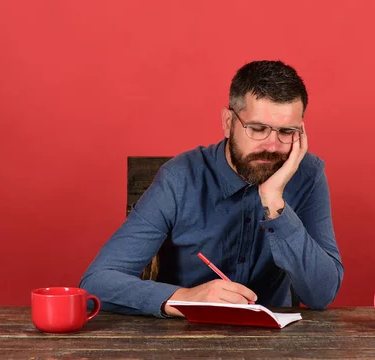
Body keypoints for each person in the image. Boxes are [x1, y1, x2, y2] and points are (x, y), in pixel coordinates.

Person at [80, 60, 344, 317]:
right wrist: (187, 297)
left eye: (286, 132)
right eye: (258, 128)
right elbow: (96, 282)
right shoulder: (180, 177)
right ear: (228, 122)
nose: (272, 146)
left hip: (274, 344)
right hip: (182, 339)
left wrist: (274, 202)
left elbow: (321, 295)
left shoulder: (307, 174)